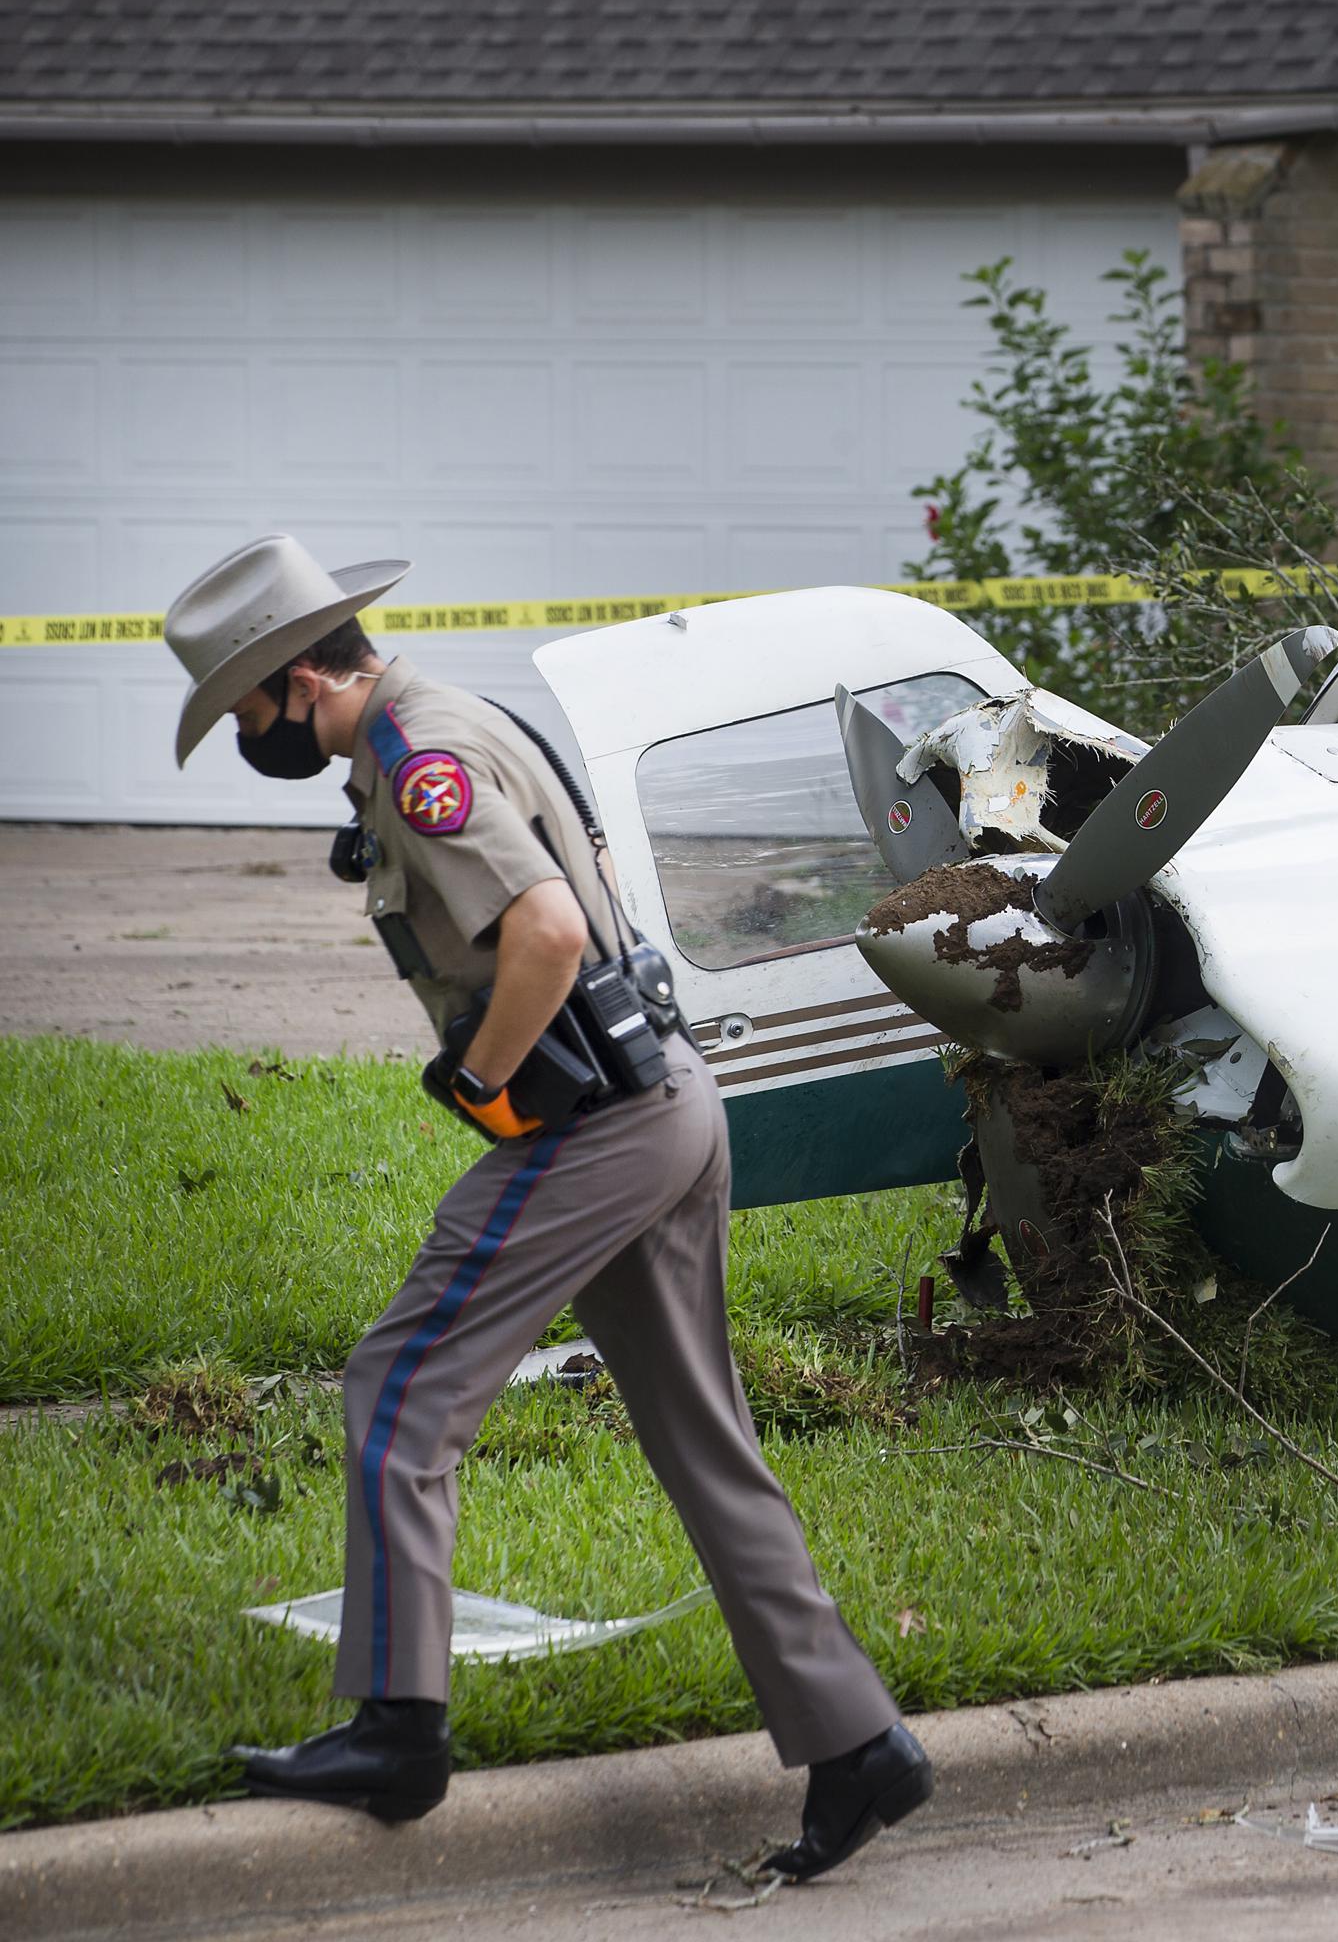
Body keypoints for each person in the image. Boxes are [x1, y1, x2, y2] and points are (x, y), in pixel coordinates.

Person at [164, 534, 931, 1881]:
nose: (244, 731)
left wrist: (481, 1073)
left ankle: (399, 1733)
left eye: (241, 705)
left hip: (602, 1123)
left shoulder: (419, 762)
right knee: (704, 1439)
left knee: (401, 1386)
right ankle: (859, 1744)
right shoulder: (452, 717)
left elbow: (549, 931)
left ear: (296, 679)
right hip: (668, 1096)